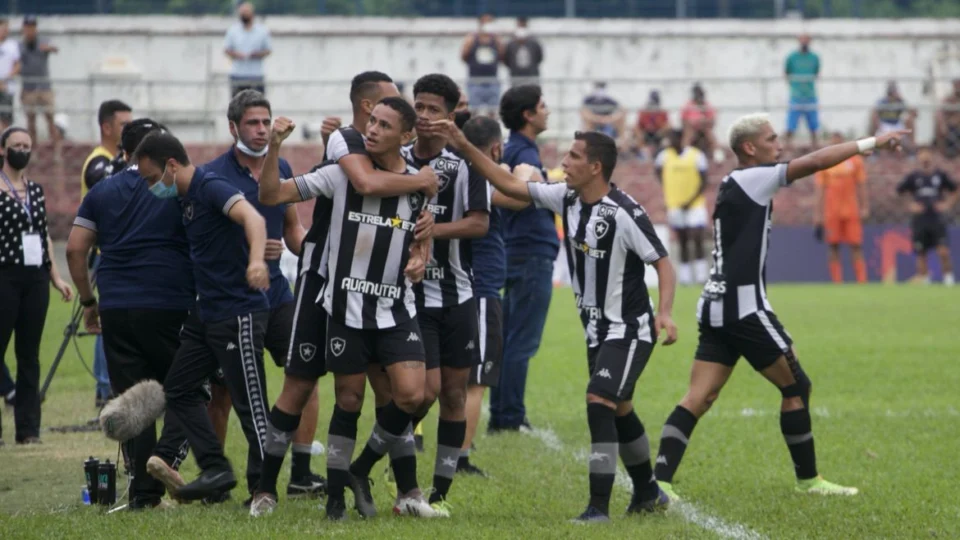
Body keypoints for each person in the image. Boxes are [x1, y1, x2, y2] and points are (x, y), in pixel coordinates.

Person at [424, 119, 679, 522]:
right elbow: (509, 186)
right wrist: (463, 145)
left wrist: (664, 312)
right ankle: (647, 491)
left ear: (596, 167)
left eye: (573, 156)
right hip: (596, 331)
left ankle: (598, 507)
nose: (564, 162)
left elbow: (662, 262)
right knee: (620, 408)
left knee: (599, 401)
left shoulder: (624, 212)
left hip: (629, 330)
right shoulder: (567, 198)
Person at [653, 113, 907, 501]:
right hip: (743, 306)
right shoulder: (754, 177)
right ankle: (809, 480)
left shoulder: (736, 182)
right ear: (750, 148)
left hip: (715, 302)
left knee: (699, 397)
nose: (780, 145)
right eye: (772, 139)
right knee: (796, 386)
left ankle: (660, 481)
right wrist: (872, 142)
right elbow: (817, 161)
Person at [258, 98, 442, 519]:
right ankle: (337, 498)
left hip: (395, 307)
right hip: (345, 307)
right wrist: (274, 149)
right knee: (349, 399)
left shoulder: (419, 184)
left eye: (384, 124)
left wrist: (419, 258)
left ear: (407, 136)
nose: (372, 130)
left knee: (413, 395)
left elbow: (420, 244)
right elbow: (270, 193)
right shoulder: (340, 175)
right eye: (371, 121)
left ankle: (362, 470)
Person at [201, 89, 325, 500]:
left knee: (305, 372)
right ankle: (217, 478)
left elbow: (292, 231)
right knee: (224, 391)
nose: (260, 130)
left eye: (265, 122)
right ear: (233, 126)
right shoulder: (214, 175)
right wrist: (251, 248)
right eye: (252, 123)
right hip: (233, 301)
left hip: (278, 296)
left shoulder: (282, 164)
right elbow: (207, 241)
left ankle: (301, 473)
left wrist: (320, 252)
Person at [135, 131, 270, 502]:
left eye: (151, 178)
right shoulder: (184, 198)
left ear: (172, 166)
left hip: (238, 311)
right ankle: (216, 469)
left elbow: (253, 219)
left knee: (249, 404)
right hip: (205, 313)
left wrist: (257, 260)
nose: (150, 187)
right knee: (178, 388)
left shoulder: (211, 186)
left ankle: (264, 488)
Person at [66, 118, 192, 509]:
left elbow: (74, 249)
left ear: (125, 151)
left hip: (117, 305)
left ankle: (143, 493)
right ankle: (167, 460)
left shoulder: (102, 191)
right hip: (168, 303)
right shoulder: (173, 189)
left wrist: (89, 303)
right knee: (185, 390)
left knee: (135, 401)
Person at [400, 74, 490, 511]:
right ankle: (386, 469)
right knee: (422, 393)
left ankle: (439, 492)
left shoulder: (465, 164)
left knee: (455, 394)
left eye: (434, 109)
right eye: (419, 106)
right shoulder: (393, 159)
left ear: (452, 115)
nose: (424, 116)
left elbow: (479, 223)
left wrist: (435, 230)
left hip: (457, 295)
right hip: (409, 296)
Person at [0, 127, 73, 445]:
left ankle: (28, 429)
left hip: (35, 278)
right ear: (3, 150)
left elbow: (43, 236)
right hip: (4, 275)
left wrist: (55, 277)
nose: (21, 150)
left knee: (29, 355)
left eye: (26, 145)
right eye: (15, 145)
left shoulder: (37, 191)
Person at [492, 84, 553, 433]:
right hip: (532, 252)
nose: (548, 111)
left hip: (514, 250)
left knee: (509, 338)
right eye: (542, 106)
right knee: (522, 341)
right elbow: (521, 194)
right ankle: (511, 417)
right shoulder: (526, 154)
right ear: (528, 115)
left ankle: (504, 412)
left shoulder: (513, 148)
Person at [82, 99, 132, 408]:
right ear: (107, 127)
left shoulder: (119, 158)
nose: (129, 129)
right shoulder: (99, 161)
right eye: (124, 124)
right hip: (105, 252)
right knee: (106, 321)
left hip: (119, 249)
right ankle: (104, 387)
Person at [813, 132, 869, 284]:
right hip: (832, 211)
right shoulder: (825, 162)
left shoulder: (855, 160)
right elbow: (820, 190)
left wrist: (864, 206)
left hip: (851, 209)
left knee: (856, 245)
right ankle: (837, 282)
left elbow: (861, 185)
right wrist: (818, 214)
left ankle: (861, 281)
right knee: (833, 246)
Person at [897, 147, 958, 285]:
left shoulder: (940, 175)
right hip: (920, 220)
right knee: (921, 252)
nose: (925, 157)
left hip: (937, 219)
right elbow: (899, 192)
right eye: (922, 154)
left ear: (932, 156)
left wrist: (947, 204)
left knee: (943, 251)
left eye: (928, 154)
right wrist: (910, 205)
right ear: (918, 157)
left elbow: (955, 189)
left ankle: (948, 279)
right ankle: (925, 280)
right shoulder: (913, 177)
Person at [655, 129, 709, 285]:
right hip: (675, 205)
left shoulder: (696, 155)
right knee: (683, 239)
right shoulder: (663, 156)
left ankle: (701, 275)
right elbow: (658, 172)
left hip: (695, 204)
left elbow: (704, 181)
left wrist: (691, 200)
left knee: (697, 237)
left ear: (680, 139)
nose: (670, 142)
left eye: (672, 138)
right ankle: (685, 277)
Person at [19, 16, 60, 160]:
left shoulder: (43, 41)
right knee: (31, 122)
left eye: (33, 27)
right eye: (28, 27)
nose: (30, 30)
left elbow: (56, 49)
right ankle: (33, 151)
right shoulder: (20, 45)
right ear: (24, 29)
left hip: (44, 87)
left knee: (50, 119)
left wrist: (48, 48)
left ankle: (57, 152)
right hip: (28, 88)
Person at [224, 2, 272, 97]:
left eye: (246, 12)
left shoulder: (262, 31)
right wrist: (237, 55)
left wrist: (256, 54)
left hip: (256, 75)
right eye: (242, 12)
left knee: (258, 104)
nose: (244, 14)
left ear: (252, 13)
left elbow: (268, 50)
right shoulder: (233, 30)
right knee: (237, 106)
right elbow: (227, 49)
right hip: (237, 75)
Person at [461, 14, 503, 117]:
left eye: (490, 22)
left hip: (492, 80)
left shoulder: (496, 39)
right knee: (473, 111)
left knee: (493, 111)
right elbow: (463, 56)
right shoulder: (472, 38)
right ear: (480, 23)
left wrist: (497, 40)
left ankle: (492, 132)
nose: (487, 24)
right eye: (485, 22)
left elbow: (502, 56)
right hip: (475, 80)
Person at [784, 34, 821, 149]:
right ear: (799, 41)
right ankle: (787, 146)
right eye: (802, 39)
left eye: (807, 39)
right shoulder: (791, 57)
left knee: (813, 125)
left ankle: (814, 147)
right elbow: (786, 73)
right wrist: (794, 86)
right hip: (796, 96)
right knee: (791, 124)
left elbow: (816, 73)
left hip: (810, 95)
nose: (804, 42)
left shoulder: (814, 57)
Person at [871, 81, 915, 153]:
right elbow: (874, 114)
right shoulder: (882, 101)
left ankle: (911, 151)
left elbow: (914, 113)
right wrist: (880, 127)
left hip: (897, 124)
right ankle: (874, 152)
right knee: (882, 137)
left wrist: (901, 99)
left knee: (910, 120)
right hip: (885, 125)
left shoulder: (899, 101)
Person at [680, 83, 719, 163]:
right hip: (692, 128)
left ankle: (717, 156)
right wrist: (693, 123)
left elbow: (712, 120)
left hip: (704, 128)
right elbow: (683, 120)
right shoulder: (688, 105)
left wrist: (704, 122)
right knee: (688, 134)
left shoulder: (707, 105)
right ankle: (685, 154)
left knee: (710, 134)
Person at [503, 17, 543, 87]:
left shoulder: (534, 43)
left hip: (531, 76)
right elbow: (507, 59)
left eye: (523, 26)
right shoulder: (511, 44)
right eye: (520, 26)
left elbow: (539, 58)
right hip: (515, 76)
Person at [0, 19, 20, 131]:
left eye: (6, 29)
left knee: (6, 118)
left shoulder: (12, 45)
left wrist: (6, 78)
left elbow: (18, 65)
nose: (4, 31)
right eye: (2, 28)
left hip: (7, 88)